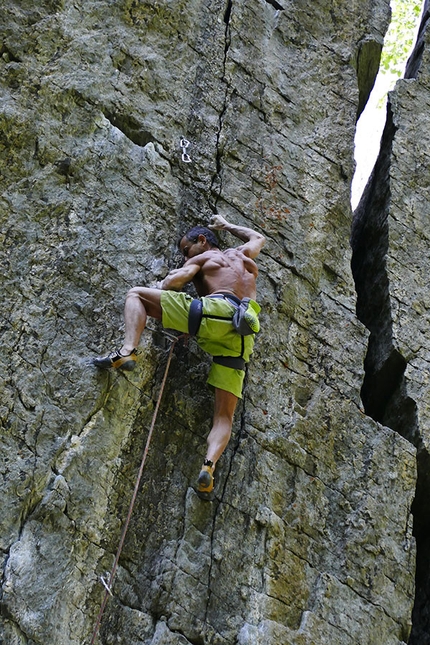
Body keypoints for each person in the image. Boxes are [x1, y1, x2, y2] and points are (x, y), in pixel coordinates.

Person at [94, 214, 265, 498]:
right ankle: (208, 467)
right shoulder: (243, 254)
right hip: (242, 334)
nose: (185, 254)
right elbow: (258, 237)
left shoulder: (203, 259)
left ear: (201, 240)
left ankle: (126, 352)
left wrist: (170, 279)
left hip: (213, 313)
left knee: (136, 294)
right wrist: (225, 225)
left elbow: (174, 282)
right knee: (224, 416)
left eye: (186, 249)